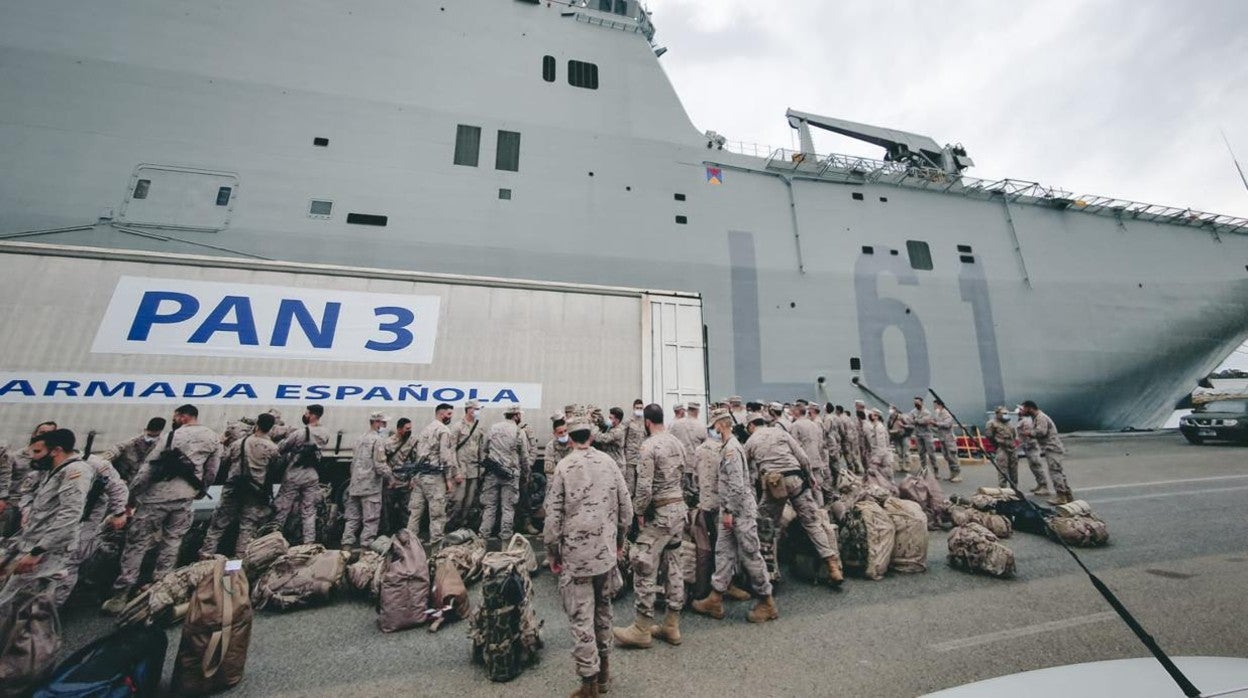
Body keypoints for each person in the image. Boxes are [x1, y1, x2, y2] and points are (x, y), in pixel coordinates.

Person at [545, 414, 633, 697]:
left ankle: (588, 684)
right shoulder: (609, 463)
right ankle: (605, 674)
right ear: (592, 437)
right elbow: (626, 510)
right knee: (604, 612)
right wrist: (619, 543)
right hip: (605, 555)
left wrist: (552, 553)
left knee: (582, 619)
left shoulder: (564, 466)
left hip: (577, 557)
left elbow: (552, 518)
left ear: (570, 438)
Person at [105, 405, 220, 614]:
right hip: (185, 497)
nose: (173, 419)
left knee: (137, 543)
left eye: (175, 416)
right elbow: (211, 471)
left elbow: (148, 469)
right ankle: (161, 588)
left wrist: (130, 498)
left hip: (155, 498)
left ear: (183, 416)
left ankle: (121, 593)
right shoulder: (211, 437)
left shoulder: (169, 437)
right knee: (172, 542)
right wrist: (201, 490)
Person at [613, 404, 689, 649]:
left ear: (646, 422)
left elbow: (644, 486)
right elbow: (685, 474)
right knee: (673, 565)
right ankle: (671, 624)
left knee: (642, 561)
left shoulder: (649, 446)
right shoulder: (677, 443)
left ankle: (642, 628)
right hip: (679, 510)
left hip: (661, 512)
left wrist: (639, 511)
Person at [691, 409, 777, 623]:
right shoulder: (727, 447)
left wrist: (729, 511)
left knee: (750, 553)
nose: (713, 428)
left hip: (738, 511)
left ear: (721, 424)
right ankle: (716, 597)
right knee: (723, 551)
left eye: (715, 424)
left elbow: (737, 485)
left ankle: (767, 601)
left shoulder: (731, 449)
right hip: (729, 510)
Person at [744, 411, 843, 586]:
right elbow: (803, 457)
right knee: (812, 522)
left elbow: (745, 469)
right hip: (797, 480)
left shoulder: (751, 441)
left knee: (767, 526)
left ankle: (770, 572)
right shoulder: (781, 432)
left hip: (774, 484)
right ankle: (833, 566)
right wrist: (810, 477)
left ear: (751, 426)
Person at [2, 429, 92, 607]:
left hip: (48, 549)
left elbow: (70, 514)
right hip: (36, 542)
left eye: (37, 452)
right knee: (26, 602)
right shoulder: (54, 470)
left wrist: (37, 552)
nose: (33, 457)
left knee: (11, 600)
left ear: (56, 450)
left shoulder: (75, 471)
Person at [199, 413, 280, 557]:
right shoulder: (273, 448)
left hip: (233, 488)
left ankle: (205, 559)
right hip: (255, 491)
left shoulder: (238, 443)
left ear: (257, 425)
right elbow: (274, 469)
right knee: (247, 528)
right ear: (271, 428)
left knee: (218, 525)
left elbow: (223, 461)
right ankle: (240, 563)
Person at [273, 405, 331, 544]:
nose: (304, 415)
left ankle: (274, 540)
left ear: (312, 415)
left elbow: (281, 448)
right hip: (312, 474)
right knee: (309, 511)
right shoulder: (325, 432)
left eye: (306, 413)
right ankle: (308, 543)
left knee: (282, 508)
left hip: (294, 473)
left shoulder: (300, 433)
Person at [409, 404, 460, 547]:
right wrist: (448, 479)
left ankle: (410, 548)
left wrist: (414, 477)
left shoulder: (426, 429)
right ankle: (436, 553)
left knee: (415, 514)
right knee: (437, 515)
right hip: (434, 477)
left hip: (420, 476)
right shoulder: (444, 431)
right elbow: (445, 457)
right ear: (442, 414)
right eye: (449, 414)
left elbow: (418, 454)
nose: (450, 417)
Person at [342, 411, 393, 551]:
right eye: (384, 423)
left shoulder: (359, 438)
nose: (386, 425)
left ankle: (345, 549)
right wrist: (391, 477)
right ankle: (365, 550)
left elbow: (353, 463)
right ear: (377, 423)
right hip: (370, 487)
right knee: (370, 519)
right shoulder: (378, 440)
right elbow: (380, 465)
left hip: (355, 485)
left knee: (352, 519)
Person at [479, 406, 532, 540]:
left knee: (489, 507)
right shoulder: (519, 432)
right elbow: (524, 457)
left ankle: (483, 537)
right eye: (520, 414)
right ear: (515, 416)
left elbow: (484, 448)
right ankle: (506, 539)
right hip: (510, 475)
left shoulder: (493, 428)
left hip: (492, 473)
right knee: (508, 508)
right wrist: (526, 475)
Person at [1021, 401, 1074, 504]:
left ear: (1030, 408)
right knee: (1058, 471)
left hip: (1052, 448)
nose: (1023, 411)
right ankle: (1067, 495)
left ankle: (1061, 496)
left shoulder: (1040, 417)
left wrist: (1029, 433)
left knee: (1055, 472)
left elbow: (1041, 432)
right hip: (1051, 448)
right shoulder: (1037, 417)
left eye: (1024, 408)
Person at [448, 400, 486, 531]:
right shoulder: (458, 426)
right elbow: (451, 450)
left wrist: (481, 468)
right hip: (461, 469)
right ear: (469, 409)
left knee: (469, 502)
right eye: (476, 409)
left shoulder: (479, 427)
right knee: (457, 501)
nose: (477, 412)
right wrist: (455, 471)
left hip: (473, 469)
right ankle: (449, 526)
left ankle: (462, 525)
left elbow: (480, 448)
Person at [101, 417, 166, 482]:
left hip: (140, 479)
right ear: (145, 430)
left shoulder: (160, 446)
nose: (149, 438)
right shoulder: (133, 442)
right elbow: (117, 448)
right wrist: (105, 460)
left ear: (160, 432)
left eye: (153, 436)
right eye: (148, 435)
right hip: (122, 475)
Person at [790, 404, 827, 504]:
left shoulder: (795, 425)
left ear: (797, 412)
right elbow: (820, 442)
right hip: (816, 458)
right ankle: (822, 510)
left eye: (793, 411)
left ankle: (812, 511)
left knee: (805, 488)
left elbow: (794, 445)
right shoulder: (814, 424)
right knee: (817, 487)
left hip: (804, 460)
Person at [1016, 407, 1051, 496]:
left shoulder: (1027, 421)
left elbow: (1030, 434)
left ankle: (1044, 486)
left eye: (1020, 410)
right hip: (1027, 447)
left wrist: (1029, 444)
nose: (1019, 411)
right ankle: (1040, 484)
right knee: (1033, 467)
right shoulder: (1022, 420)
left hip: (1031, 447)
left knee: (1037, 466)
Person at [984, 407, 1019, 488]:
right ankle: (1003, 488)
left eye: (1006, 413)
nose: (1006, 415)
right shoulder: (991, 423)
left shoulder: (1008, 423)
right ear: (997, 414)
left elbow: (1013, 435)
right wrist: (997, 445)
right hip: (1002, 448)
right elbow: (989, 436)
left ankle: (1014, 488)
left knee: (1014, 469)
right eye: (1003, 413)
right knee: (1002, 469)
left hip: (1012, 448)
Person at [932, 399, 963, 483]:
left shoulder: (946, 414)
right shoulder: (938, 414)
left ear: (940, 405)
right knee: (947, 456)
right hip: (942, 439)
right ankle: (952, 474)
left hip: (949, 439)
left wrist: (936, 423)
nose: (934, 407)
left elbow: (947, 424)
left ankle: (957, 474)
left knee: (952, 456)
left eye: (935, 405)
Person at [864, 408, 895, 479]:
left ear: (876, 416)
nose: (869, 416)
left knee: (885, 478)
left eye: (871, 415)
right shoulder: (876, 426)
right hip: (880, 455)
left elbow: (881, 445)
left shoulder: (879, 428)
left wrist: (877, 459)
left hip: (882, 457)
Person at [908, 397, 937, 473]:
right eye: (915, 402)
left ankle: (935, 469)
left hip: (927, 434)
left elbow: (925, 421)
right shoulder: (912, 411)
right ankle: (924, 469)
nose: (916, 404)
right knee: (921, 453)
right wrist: (917, 421)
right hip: (918, 435)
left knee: (931, 453)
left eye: (917, 402)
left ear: (922, 403)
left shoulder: (927, 412)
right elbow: (909, 420)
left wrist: (915, 420)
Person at [887, 406, 912, 473]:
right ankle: (901, 466)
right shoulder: (890, 419)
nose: (890, 411)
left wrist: (903, 427)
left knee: (906, 452)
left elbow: (910, 425)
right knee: (899, 452)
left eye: (892, 409)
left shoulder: (902, 417)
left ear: (895, 410)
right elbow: (888, 428)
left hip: (904, 436)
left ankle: (907, 466)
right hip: (895, 437)